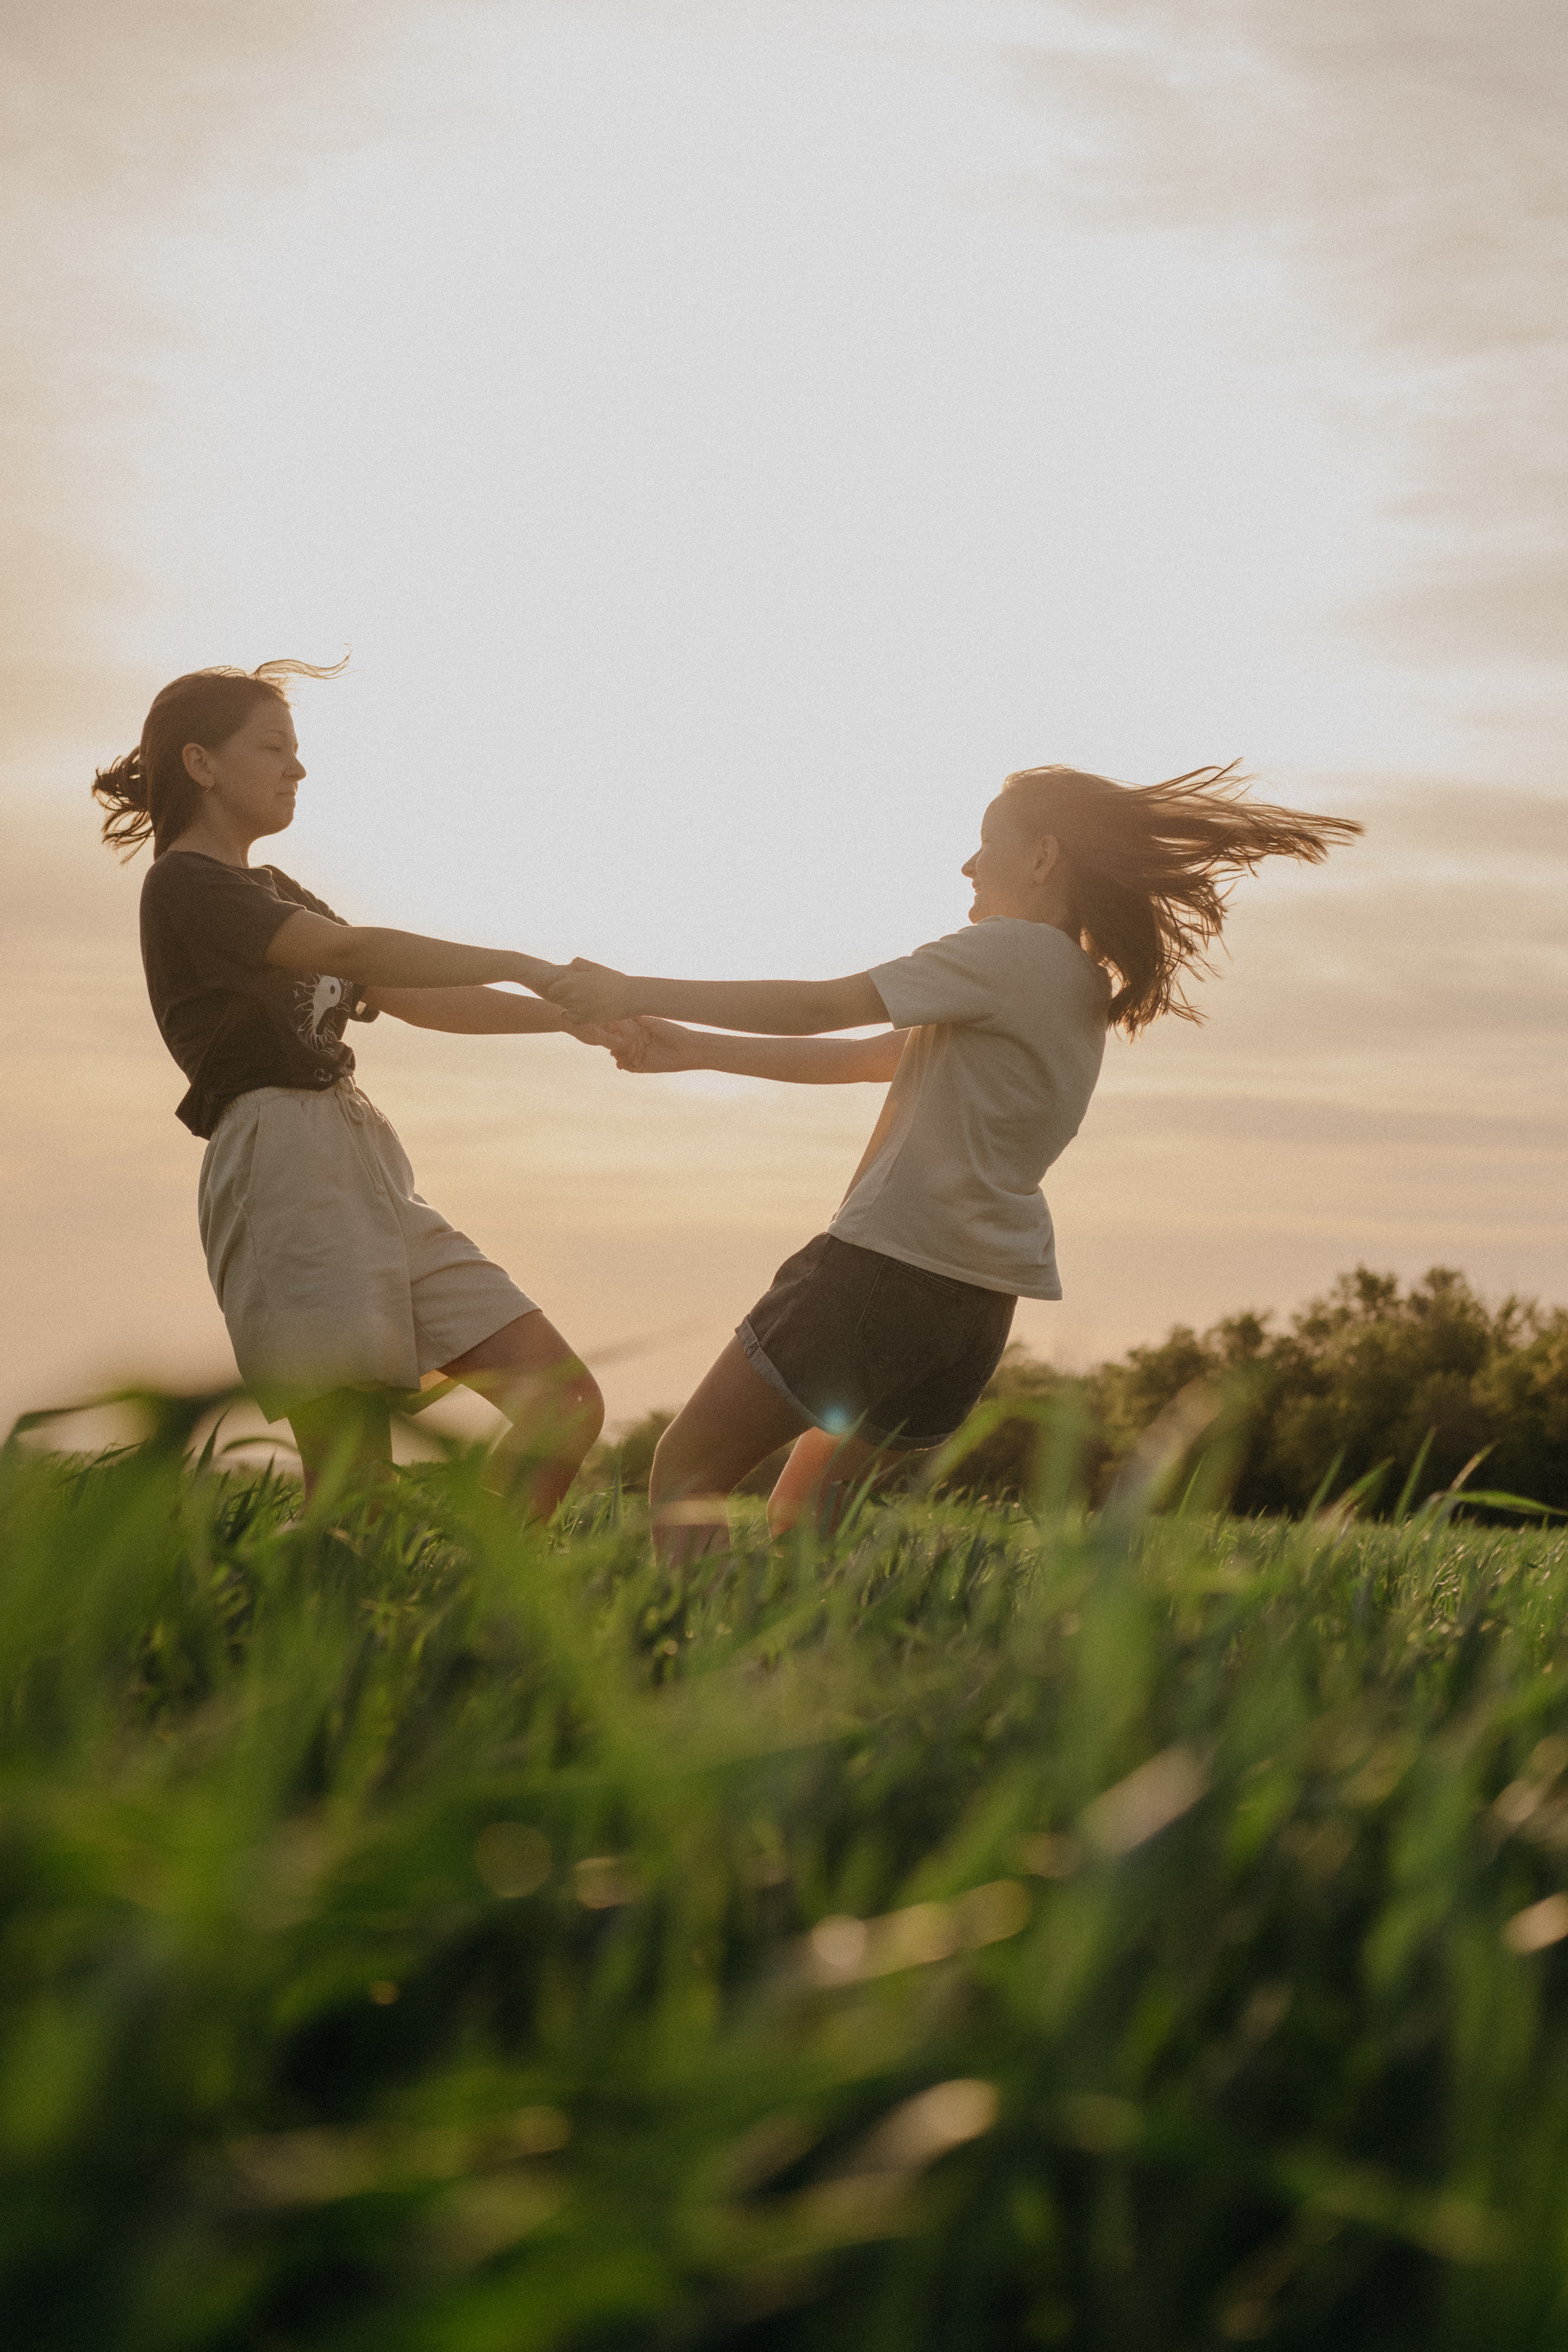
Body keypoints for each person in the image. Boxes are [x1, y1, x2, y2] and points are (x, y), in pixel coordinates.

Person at [547, 763, 1361, 1558]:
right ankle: (818, 1649)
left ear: (1042, 858)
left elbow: (823, 1006)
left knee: (688, 1469)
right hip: (972, 1312)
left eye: (986, 843)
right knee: (810, 1518)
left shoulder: (1006, 952)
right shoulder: (1077, 984)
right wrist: (696, 1050)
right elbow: (878, 1058)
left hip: (879, 1273)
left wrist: (633, 990)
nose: (968, 865)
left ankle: (696, 1645)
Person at [92, 659, 606, 1511]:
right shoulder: (185, 884)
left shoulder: (272, 890)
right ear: (201, 764)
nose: (297, 768)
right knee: (352, 1483)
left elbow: (404, 992)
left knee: (565, 1401)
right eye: (274, 747)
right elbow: (349, 951)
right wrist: (524, 963)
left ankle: (474, 1589)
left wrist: (567, 1018)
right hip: (279, 1163)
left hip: (364, 1158)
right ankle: (329, 1596)